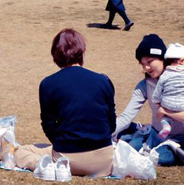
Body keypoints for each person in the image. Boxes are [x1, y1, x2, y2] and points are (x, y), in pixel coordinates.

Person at [15, 29, 116, 177]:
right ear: (82, 50)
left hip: (67, 160)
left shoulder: (48, 84)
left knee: (21, 152)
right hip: (104, 161)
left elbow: (48, 125)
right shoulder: (103, 81)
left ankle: (44, 165)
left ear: (56, 54)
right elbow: (111, 123)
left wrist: (63, 142)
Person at [114, 34, 184, 166]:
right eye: (142, 64)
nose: (146, 68)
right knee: (129, 149)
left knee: (163, 158)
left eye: (150, 61)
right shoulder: (144, 85)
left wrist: (166, 112)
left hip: (183, 138)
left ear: (163, 59)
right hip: (157, 134)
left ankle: (144, 138)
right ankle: (139, 133)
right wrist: (103, 135)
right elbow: (126, 116)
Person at [152, 43, 184, 142]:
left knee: (165, 118)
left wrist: (156, 100)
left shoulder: (165, 74)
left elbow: (158, 90)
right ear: (182, 60)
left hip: (167, 104)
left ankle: (166, 127)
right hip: (182, 105)